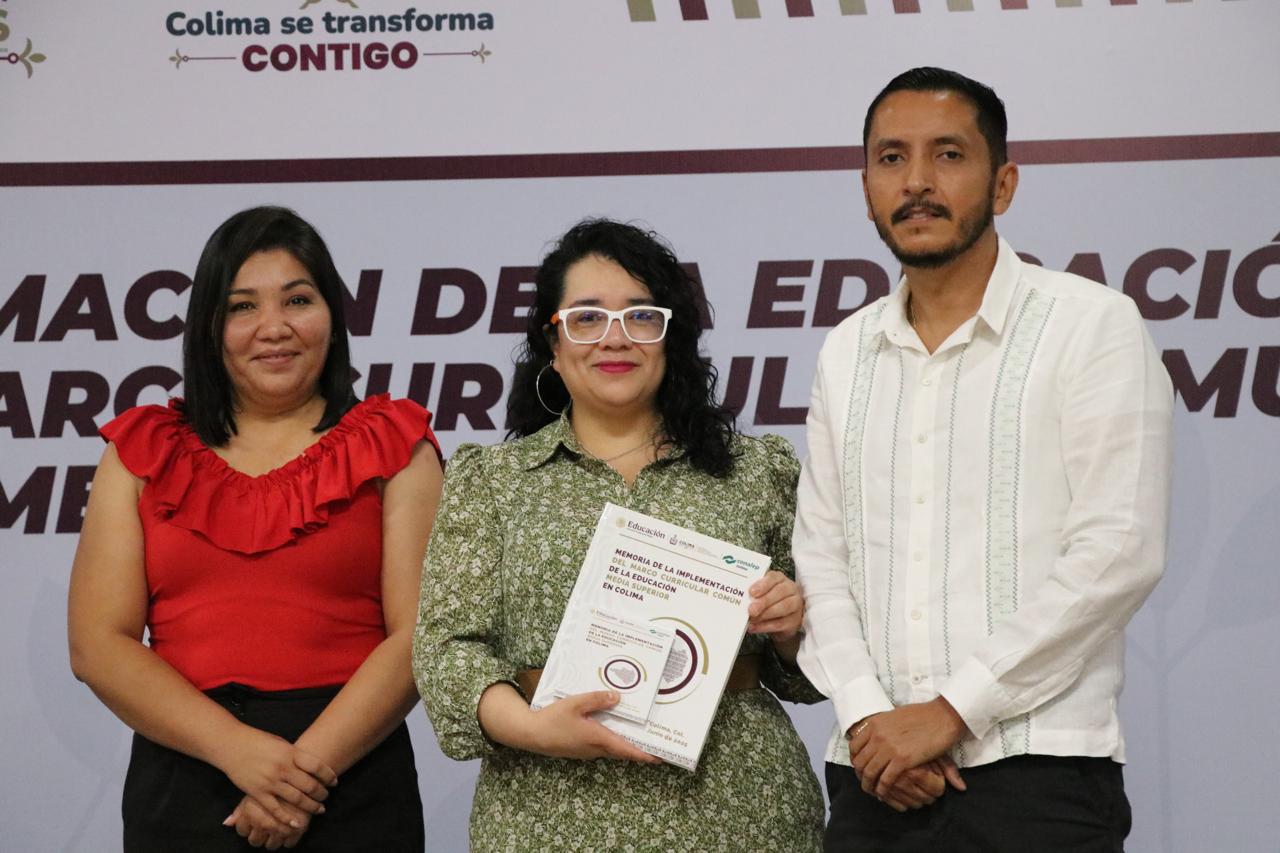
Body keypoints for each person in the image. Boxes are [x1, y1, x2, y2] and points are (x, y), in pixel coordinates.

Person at [793, 67, 1173, 852]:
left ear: (1003, 183)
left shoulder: (1091, 325)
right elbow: (822, 558)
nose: (917, 182)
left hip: (1040, 778)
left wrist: (950, 711)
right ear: (866, 188)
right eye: (891, 158)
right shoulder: (845, 352)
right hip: (873, 779)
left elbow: (1118, 551)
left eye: (948, 155)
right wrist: (869, 718)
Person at [413, 218, 825, 851]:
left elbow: (811, 672)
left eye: (640, 316)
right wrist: (531, 729)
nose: (615, 338)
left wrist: (793, 626)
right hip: (547, 814)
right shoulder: (493, 482)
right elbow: (447, 652)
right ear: (553, 344)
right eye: (587, 318)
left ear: (670, 338)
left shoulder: (756, 472)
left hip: (738, 810)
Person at [68, 206, 444, 851]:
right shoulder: (142, 450)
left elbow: (418, 636)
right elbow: (97, 645)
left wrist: (299, 775)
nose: (274, 327)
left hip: (350, 773)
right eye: (242, 307)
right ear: (209, 327)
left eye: (298, 300)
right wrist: (238, 751)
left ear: (332, 316)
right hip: (187, 767)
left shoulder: (395, 444)